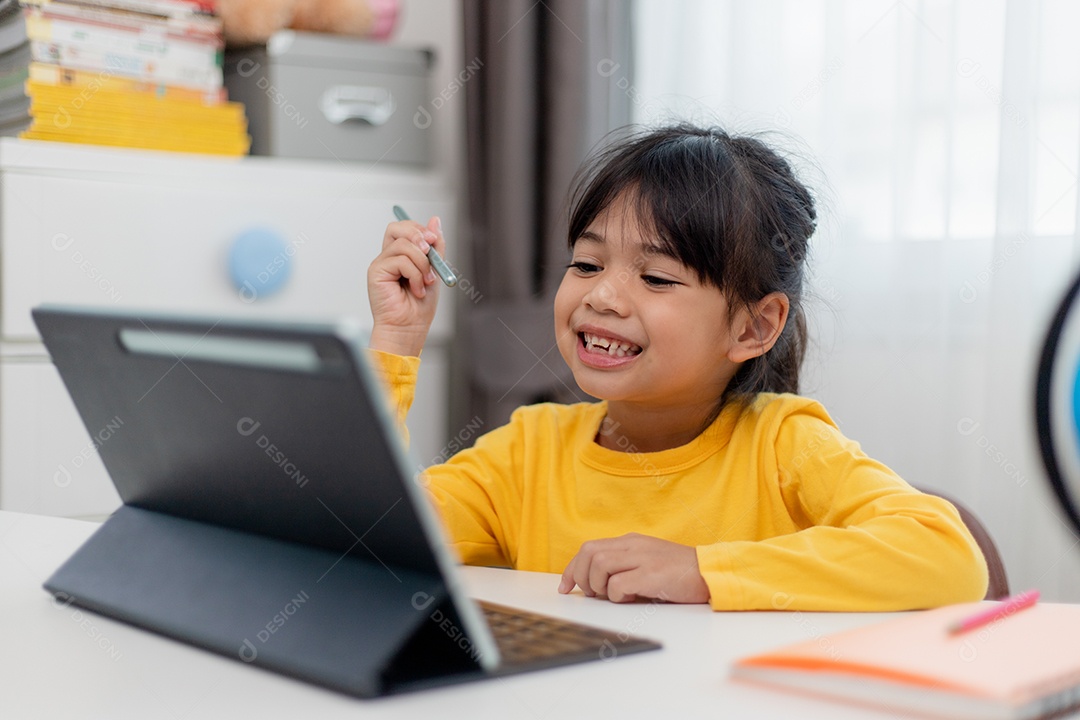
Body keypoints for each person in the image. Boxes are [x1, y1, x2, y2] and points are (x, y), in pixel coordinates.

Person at [365, 123, 989, 611]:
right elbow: (362, 537)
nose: (601, 296)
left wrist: (703, 571)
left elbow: (947, 554)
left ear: (753, 326)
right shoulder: (528, 452)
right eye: (585, 265)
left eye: (656, 277)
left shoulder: (782, 446)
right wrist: (397, 338)